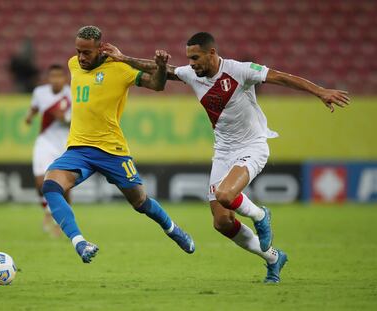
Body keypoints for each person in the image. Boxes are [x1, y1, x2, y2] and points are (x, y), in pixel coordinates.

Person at [102, 32, 350, 283]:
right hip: (223, 152)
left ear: (212, 53)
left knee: (224, 194)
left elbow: (281, 78)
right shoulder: (191, 74)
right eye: (189, 58)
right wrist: (123, 58)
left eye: (196, 57)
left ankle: (260, 215)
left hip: (252, 146)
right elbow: (163, 70)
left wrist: (320, 92)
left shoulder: (239, 71)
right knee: (221, 222)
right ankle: (274, 258)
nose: (192, 63)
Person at [42, 26, 195, 264]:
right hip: (79, 148)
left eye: (87, 53)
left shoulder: (120, 69)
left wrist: (162, 66)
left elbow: (157, 84)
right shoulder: (73, 64)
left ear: (101, 49)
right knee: (50, 186)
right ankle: (80, 242)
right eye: (78, 51)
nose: (81, 57)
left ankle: (173, 229)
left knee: (141, 203)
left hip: (112, 151)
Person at [25, 64, 71, 236]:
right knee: (39, 183)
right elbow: (36, 107)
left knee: (65, 187)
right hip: (45, 141)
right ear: (48, 78)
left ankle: (65, 222)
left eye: (59, 76)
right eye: (52, 76)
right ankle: (48, 210)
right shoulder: (40, 92)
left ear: (65, 78)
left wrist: (64, 120)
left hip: (65, 143)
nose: (55, 80)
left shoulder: (72, 94)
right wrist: (29, 116)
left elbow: (78, 122)